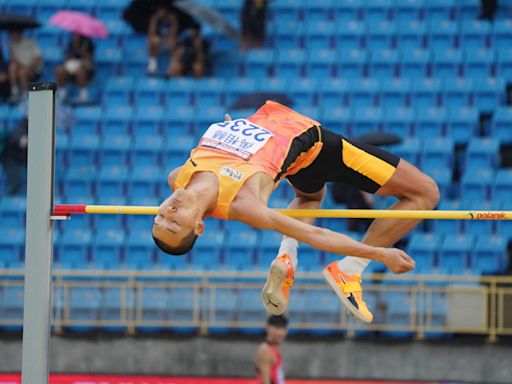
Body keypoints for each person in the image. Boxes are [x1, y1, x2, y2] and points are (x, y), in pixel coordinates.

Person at [152, 101, 439, 323]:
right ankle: (350, 269)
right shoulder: (242, 203)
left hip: (289, 147)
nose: (169, 211)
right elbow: (314, 233)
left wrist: (229, 133)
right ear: (199, 226)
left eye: (160, 217)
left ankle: (287, 255)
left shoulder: (177, 177)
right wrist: (380, 254)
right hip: (319, 148)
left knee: (310, 196)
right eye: (175, 223)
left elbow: (225, 152)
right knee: (426, 192)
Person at [55, 34, 95, 102]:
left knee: (79, 71)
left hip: (85, 66)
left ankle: (83, 95)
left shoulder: (88, 43)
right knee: (59, 70)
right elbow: (67, 57)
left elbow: (89, 59)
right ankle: (62, 93)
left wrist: (79, 49)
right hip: (72, 65)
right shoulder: (72, 43)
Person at [8, 29, 43, 102]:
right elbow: (15, 61)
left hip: (33, 69)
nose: (13, 36)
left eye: (14, 33)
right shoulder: (12, 45)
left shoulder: (30, 42)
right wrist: (11, 52)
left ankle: (26, 94)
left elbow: (38, 58)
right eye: (11, 34)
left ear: (18, 33)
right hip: (21, 67)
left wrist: (30, 67)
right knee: (12, 67)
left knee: (22, 72)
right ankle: (14, 91)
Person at [256, 315, 288, 384]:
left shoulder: (274, 348)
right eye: (277, 328)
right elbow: (265, 381)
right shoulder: (265, 350)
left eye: (283, 328)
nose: (281, 332)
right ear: (268, 327)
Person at [147, 6, 179, 75]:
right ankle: (152, 64)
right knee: (153, 41)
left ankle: (171, 66)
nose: (160, 12)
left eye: (162, 9)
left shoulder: (172, 18)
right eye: (159, 10)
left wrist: (166, 39)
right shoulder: (154, 18)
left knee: (174, 41)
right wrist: (154, 21)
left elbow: (174, 33)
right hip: (159, 41)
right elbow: (151, 33)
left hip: (168, 40)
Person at [0, 118, 27, 195]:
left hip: (19, 157)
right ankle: (8, 200)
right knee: (16, 182)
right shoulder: (20, 130)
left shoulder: (23, 128)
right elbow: (18, 138)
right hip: (9, 158)